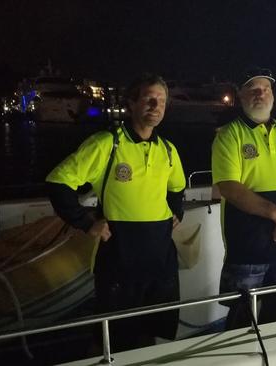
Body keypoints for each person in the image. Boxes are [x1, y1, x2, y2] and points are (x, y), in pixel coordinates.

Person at [45, 73, 186, 351]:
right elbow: (58, 181)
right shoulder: (107, 144)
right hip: (120, 259)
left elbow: (177, 187)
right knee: (115, 338)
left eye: (162, 101)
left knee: (154, 333)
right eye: (149, 98)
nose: (156, 106)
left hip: (160, 259)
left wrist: (176, 211)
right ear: (131, 103)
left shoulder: (168, 150)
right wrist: (86, 223)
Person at [212, 68, 276, 330]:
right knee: (240, 315)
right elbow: (229, 187)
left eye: (265, 89)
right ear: (241, 95)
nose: (260, 94)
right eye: (253, 89)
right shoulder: (229, 135)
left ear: (272, 94)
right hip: (248, 245)